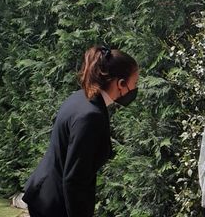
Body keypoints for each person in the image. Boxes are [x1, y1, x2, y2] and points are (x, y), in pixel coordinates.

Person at [23, 45, 139, 217]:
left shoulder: (81, 97)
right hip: (55, 205)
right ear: (120, 84)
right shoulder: (91, 116)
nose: (136, 88)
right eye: (134, 83)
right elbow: (74, 179)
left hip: (46, 194)